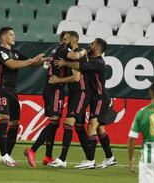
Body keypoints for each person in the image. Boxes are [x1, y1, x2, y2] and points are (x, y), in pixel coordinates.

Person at [24, 31, 80, 167]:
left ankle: (48, 156)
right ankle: (32, 150)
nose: (63, 40)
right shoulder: (65, 51)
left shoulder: (57, 49)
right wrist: (82, 53)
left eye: (66, 38)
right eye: (64, 38)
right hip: (55, 88)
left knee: (54, 124)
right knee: (54, 123)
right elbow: (76, 74)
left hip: (52, 89)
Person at [58, 38, 116, 169]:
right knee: (100, 128)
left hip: (100, 99)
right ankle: (110, 158)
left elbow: (79, 66)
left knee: (92, 127)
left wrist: (64, 63)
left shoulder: (99, 62)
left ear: (99, 48)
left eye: (94, 43)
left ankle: (90, 160)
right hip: (95, 99)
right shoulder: (91, 58)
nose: (91, 44)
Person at [0, 26, 45, 167]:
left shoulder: (15, 52)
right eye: (11, 34)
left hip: (12, 91)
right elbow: (13, 65)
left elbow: (32, 63)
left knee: (15, 123)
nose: (14, 37)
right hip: (1, 89)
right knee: (4, 119)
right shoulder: (0, 52)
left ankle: (7, 154)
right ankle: (3, 155)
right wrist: (32, 61)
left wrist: (43, 60)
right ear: (3, 37)